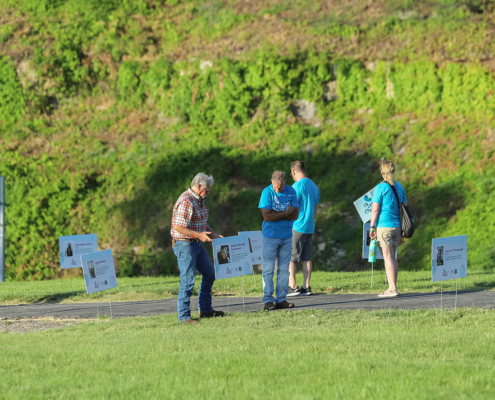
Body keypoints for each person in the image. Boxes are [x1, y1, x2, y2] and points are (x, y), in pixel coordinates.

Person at [171, 173, 225, 324]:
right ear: (199, 186)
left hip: (195, 243)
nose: (208, 192)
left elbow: (199, 221)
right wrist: (199, 235)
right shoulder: (186, 201)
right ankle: (184, 316)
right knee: (188, 281)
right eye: (207, 189)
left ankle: (206, 310)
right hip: (184, 244)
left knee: (209, 274)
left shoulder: (198, 200)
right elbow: (178, 226)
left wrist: (212, 233)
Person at [258, 170, 299, 310]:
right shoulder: (267, 193)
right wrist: (285, 213)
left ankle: (281, 299)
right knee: (268, 269)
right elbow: (267, 217)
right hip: (270, 236)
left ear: (285, 183)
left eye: (280, 187)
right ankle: (268, 300)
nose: (277, 189)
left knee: (283, 270)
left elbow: (295, 215)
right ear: (271, 182)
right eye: (275, 186)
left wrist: (277, 214)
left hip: (287, 236)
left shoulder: (291, 191)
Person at [369, 161, 407, 297]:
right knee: (393, 258)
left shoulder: (380, 188)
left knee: (387, 257)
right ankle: (393, 286)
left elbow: (375, 210)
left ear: (382, 173)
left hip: (383, 227)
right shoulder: (400, 187)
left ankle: (392, 288)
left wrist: (372, 227)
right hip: (397, 227)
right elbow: (404, 206)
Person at [287, 160, 320, 297]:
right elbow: (316, 210)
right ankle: (306, 287)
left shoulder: (296, 186)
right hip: (309, 226)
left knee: (291, 257)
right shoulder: (314, 186)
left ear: (294, 171)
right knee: (306, 257)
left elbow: (290, 208)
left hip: (297, 225)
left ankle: (292, 286)